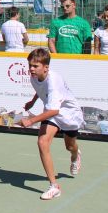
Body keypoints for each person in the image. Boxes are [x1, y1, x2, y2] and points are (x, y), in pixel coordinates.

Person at [17, 48, 84, 200]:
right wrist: (32, 102)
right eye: (30, 66)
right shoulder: (34, 77)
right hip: (53, 113)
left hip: (69, 115)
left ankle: (75, 155)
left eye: (35, 66)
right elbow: (40, 89)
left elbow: (54, 110)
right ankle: (54, 186)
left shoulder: (54, 81)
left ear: (46, 67)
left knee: (70, 146)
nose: (31, 69)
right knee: (42, 142)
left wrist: (31, 120)